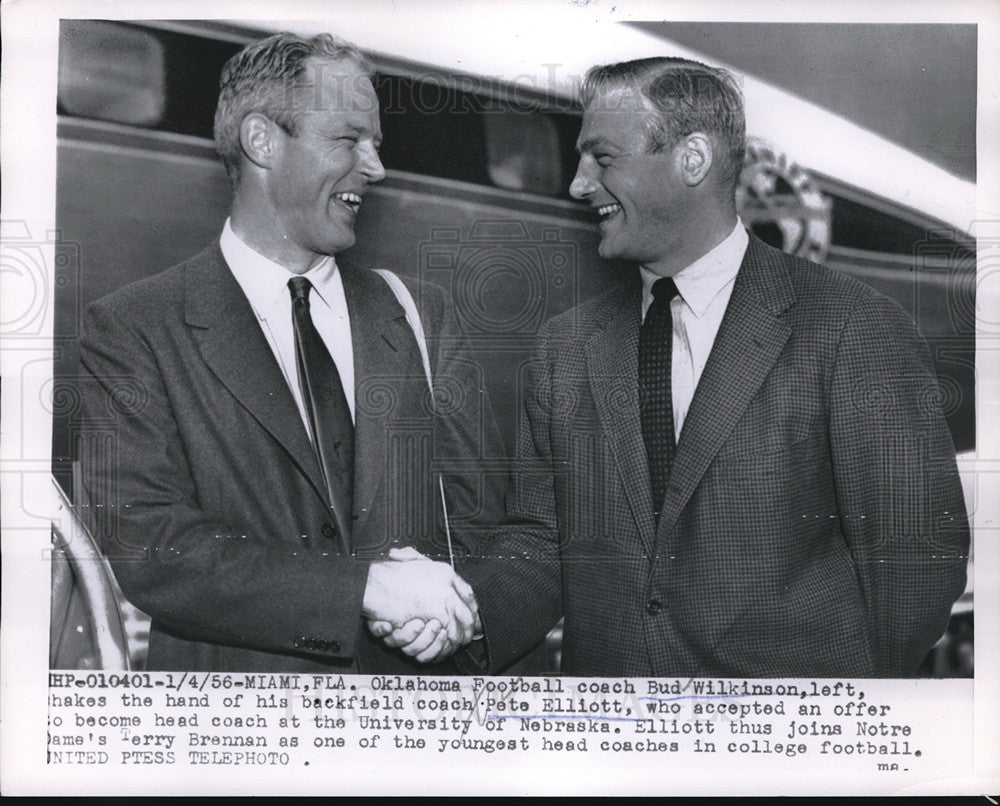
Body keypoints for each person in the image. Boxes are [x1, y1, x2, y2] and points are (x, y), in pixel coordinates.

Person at [373, 57, 970, 677]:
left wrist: (819, 732)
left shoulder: (855, 329)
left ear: (693, 159)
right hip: (616, 756)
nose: (578, 185)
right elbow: (540, 546)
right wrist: (462, 614)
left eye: (602, 160)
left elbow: (917, 567)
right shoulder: (566, 349)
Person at [77, 32, 505, 673]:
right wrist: (363, 589)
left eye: (377, 144)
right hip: (241, 748)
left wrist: (452, 615)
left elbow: (481, 521)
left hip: (410, 737)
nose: (376, 167)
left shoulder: (425, 318)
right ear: (261, 141)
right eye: (348, 139)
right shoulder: (133, 329)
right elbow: (151, 548)